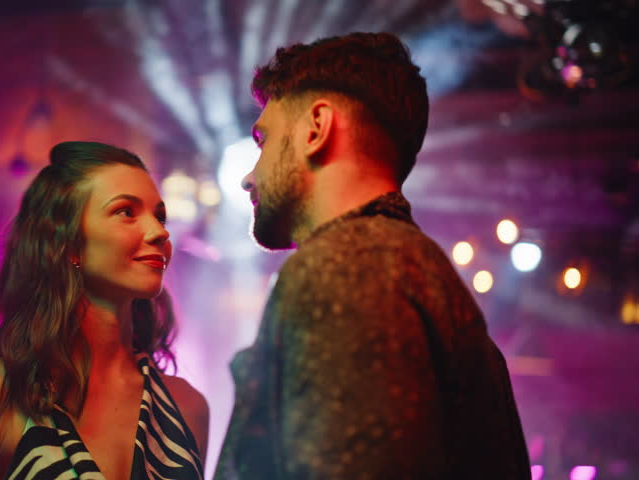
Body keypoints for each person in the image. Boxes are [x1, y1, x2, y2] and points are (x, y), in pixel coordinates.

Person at [214, 32, 530, 479]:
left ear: (316, 128)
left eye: (263, 140)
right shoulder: (417, 270)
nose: (250, 176)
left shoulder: (347, 266)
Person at [0, 141, 208, 480]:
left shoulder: (188, 407)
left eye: (160, 216)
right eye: (126, 211)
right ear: (69, 243)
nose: (159, 232)